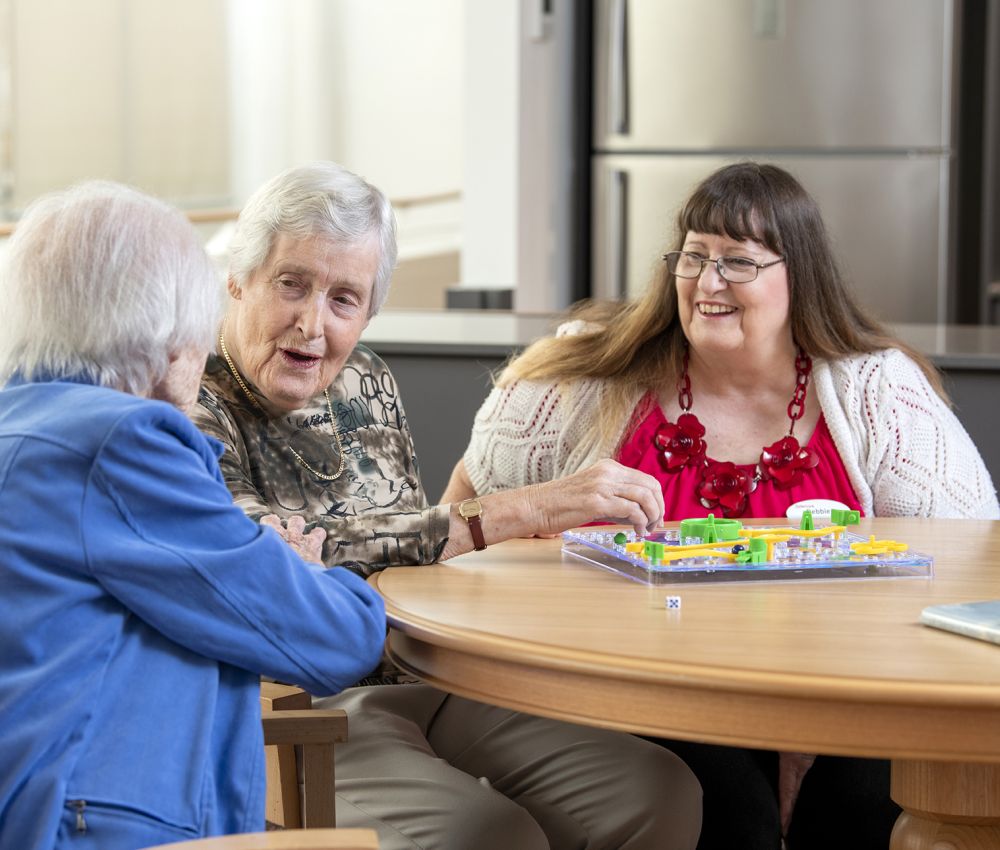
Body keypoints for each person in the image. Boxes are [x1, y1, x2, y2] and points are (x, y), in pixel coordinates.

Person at [442, 162, 1000, 850]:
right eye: (694, 258)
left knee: (861, 808)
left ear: (800, 276)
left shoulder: (878, 389)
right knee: (731, 815)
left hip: (847, 688)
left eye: (737, 262)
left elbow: (975, 563)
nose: (708, 284)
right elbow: (461, 523)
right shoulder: (581, 381)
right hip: (634, 684)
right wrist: (543, 509)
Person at [191, 161, 702, 850]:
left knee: (654, 793)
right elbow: (256, 562)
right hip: (295, 701)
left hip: (425, 670)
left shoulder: (367, 377)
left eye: (345, 299)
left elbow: (392, 548)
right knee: (488, 836)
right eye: (292, 284)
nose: (313, 324)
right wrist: (518, 510)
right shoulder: (188, 395)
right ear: (238, 279)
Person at [0, 182, 387, 850]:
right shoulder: (122, 446)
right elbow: (337, 638)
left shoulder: (23, 427)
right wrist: (307, 572)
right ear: (167, 334)